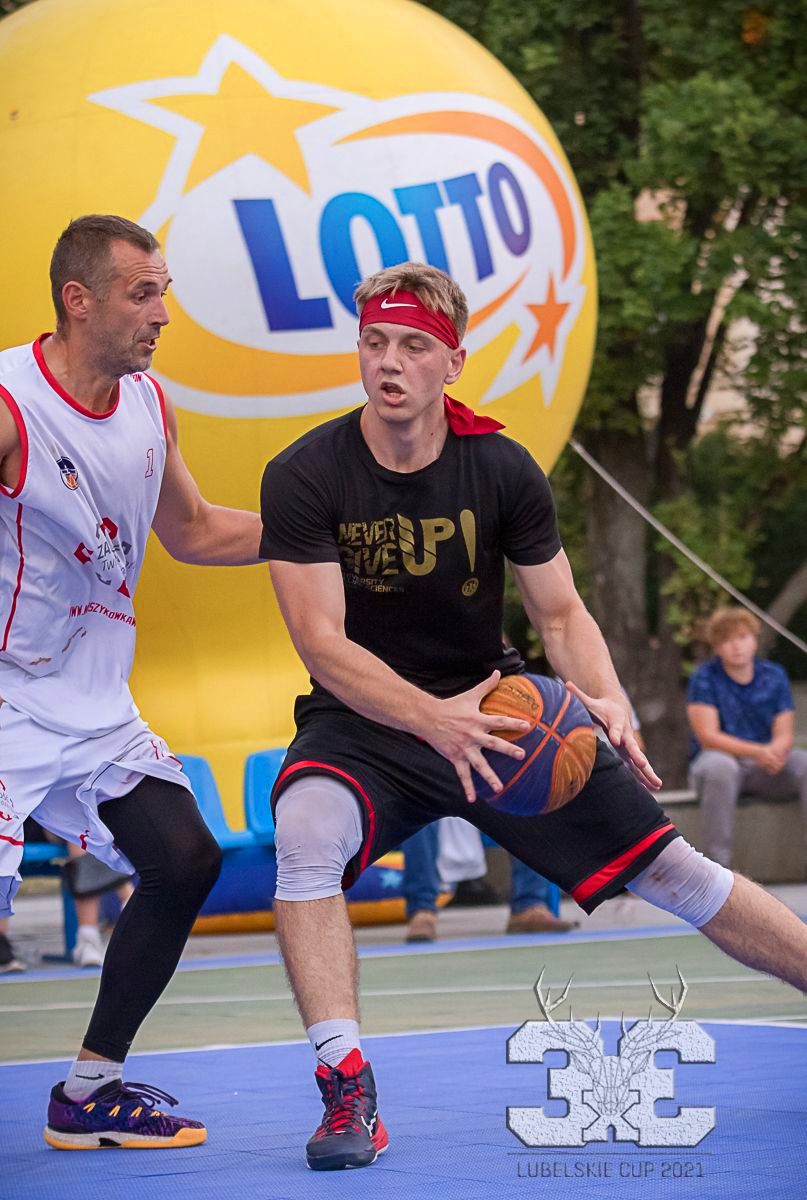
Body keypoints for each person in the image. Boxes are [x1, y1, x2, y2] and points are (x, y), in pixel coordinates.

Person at [260, 262, 807, 1173]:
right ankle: (345, 1083)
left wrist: (609, 701)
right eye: (374, 342)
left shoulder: (501, 468)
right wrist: (432, 720)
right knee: (304, 835)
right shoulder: (305, 473)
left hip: (501, 711)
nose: (388, 362)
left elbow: (559, 615)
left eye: (413, 347)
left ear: (452, 363)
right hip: (366, 719)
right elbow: (322, 643)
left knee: (673, 870)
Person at [0, 215, 262, 1149]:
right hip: (4, 698)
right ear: (79, 301)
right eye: (142, 293)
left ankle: (89, 1092)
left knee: (185, 858)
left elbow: (194, 532)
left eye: (165, 292)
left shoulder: (149, 404)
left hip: (91, 706)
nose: (163, 314)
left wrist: (330, 529)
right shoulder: (11, 404)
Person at [687, 606, 807, 867]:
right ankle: (718, 865)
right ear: (717, 647)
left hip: (766, 766)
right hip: (719, 765)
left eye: (742, 637)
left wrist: (774, 752)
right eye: (727, 640)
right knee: (721, 766)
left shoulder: (774, 675)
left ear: (754, 640)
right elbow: (708, 737)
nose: (736, 646)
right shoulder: (704, 678)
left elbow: (784, 732)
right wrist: (758, 752)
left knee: (803, 762)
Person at [402, 821, 576, 941]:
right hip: (439, 788)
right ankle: (422, 911)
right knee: (416, 804)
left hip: (488, 789)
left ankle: (529, 906)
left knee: (531, 796)